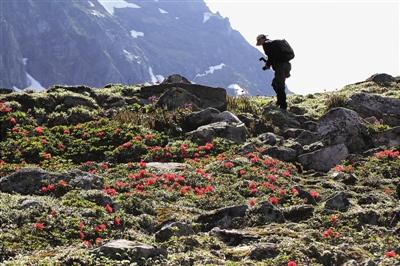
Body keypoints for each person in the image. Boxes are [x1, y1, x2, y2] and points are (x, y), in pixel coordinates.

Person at [256, 34, 294, 110]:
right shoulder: (273, 43)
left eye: (259, 40)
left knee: (279, 85)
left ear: (263, 39)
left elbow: (270, 57)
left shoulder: (266, 44)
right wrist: (269, 64)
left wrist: (267, 65)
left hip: (280, 67)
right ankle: (279, 101)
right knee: (275, 84)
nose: (259, 42)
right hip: (287, 65)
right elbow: (273, 56)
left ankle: (283, 106)